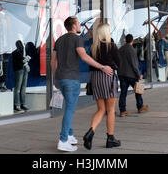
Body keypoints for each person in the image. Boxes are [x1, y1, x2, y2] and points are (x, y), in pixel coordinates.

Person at [50, 16, 113, 152]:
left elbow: (53, 61)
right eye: (78, 23)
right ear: (73, 26)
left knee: (69, 108)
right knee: (70, 110)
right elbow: (84, 57)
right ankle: (63, 140)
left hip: (61, 78)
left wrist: (55, 78)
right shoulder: (77, 39)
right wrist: (102, 67)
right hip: (71, 79)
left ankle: (70, 135)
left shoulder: (59, 40)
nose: (80, 25)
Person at [83, 23, 122, 150]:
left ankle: (91, 132)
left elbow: (91, 64)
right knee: (110, 110)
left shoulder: (94, 47)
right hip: (108, 77)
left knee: (101, 109)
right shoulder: (111, 45)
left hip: (95, 78)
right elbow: (119, 63)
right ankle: (110, 139)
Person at [117, 34, 149, 117]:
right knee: (138, 91)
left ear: (125, 40)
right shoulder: (131, 50)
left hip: (121, 74)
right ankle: (140, 106)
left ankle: (122, 110)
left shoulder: (120, 49)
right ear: (132, 40)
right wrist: (138, 74)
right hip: (130, 75)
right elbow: (134, 64)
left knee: (123, 93)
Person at [12, 40, 30, 112]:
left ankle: (23, 103)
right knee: (18, 88)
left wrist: (26, 61)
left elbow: (25, 58)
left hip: (24, 69)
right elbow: (21, 59)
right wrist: (25, 61)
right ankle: (17, 104)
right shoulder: (15, 51)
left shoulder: (25, 49)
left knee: (23, 87)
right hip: (19, 69)